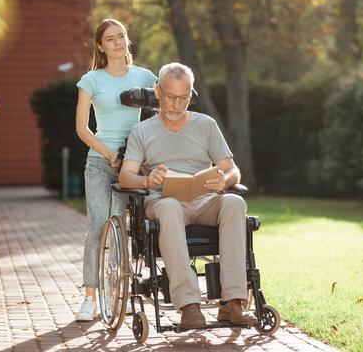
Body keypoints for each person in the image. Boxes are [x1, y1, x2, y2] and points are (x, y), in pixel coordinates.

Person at [119, 62, 257, 329]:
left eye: (184, 98)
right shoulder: (142, 131)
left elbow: (233, 171)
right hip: (163, 202)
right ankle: (189, 306)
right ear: (157, 91)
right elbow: (126, 177)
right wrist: (147, 180)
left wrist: (223, 180)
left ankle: (233, 303)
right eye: (170, 96)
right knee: (169, 206)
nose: (176, 104)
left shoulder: (206, 125)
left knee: (234, 201)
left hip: (204, 199)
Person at [75, 19, 157, 321]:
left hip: (132, 163)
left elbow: (170, 99)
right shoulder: (91, 80)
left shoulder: (144, 76)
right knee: (97, 226)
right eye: (110, 39)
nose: (118, 42)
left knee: (124, 225)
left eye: (121, 36)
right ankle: (90, 298)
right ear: (100, 46)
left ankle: (124, 287)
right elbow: (82, 128)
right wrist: (108, 152)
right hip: (99, 162)